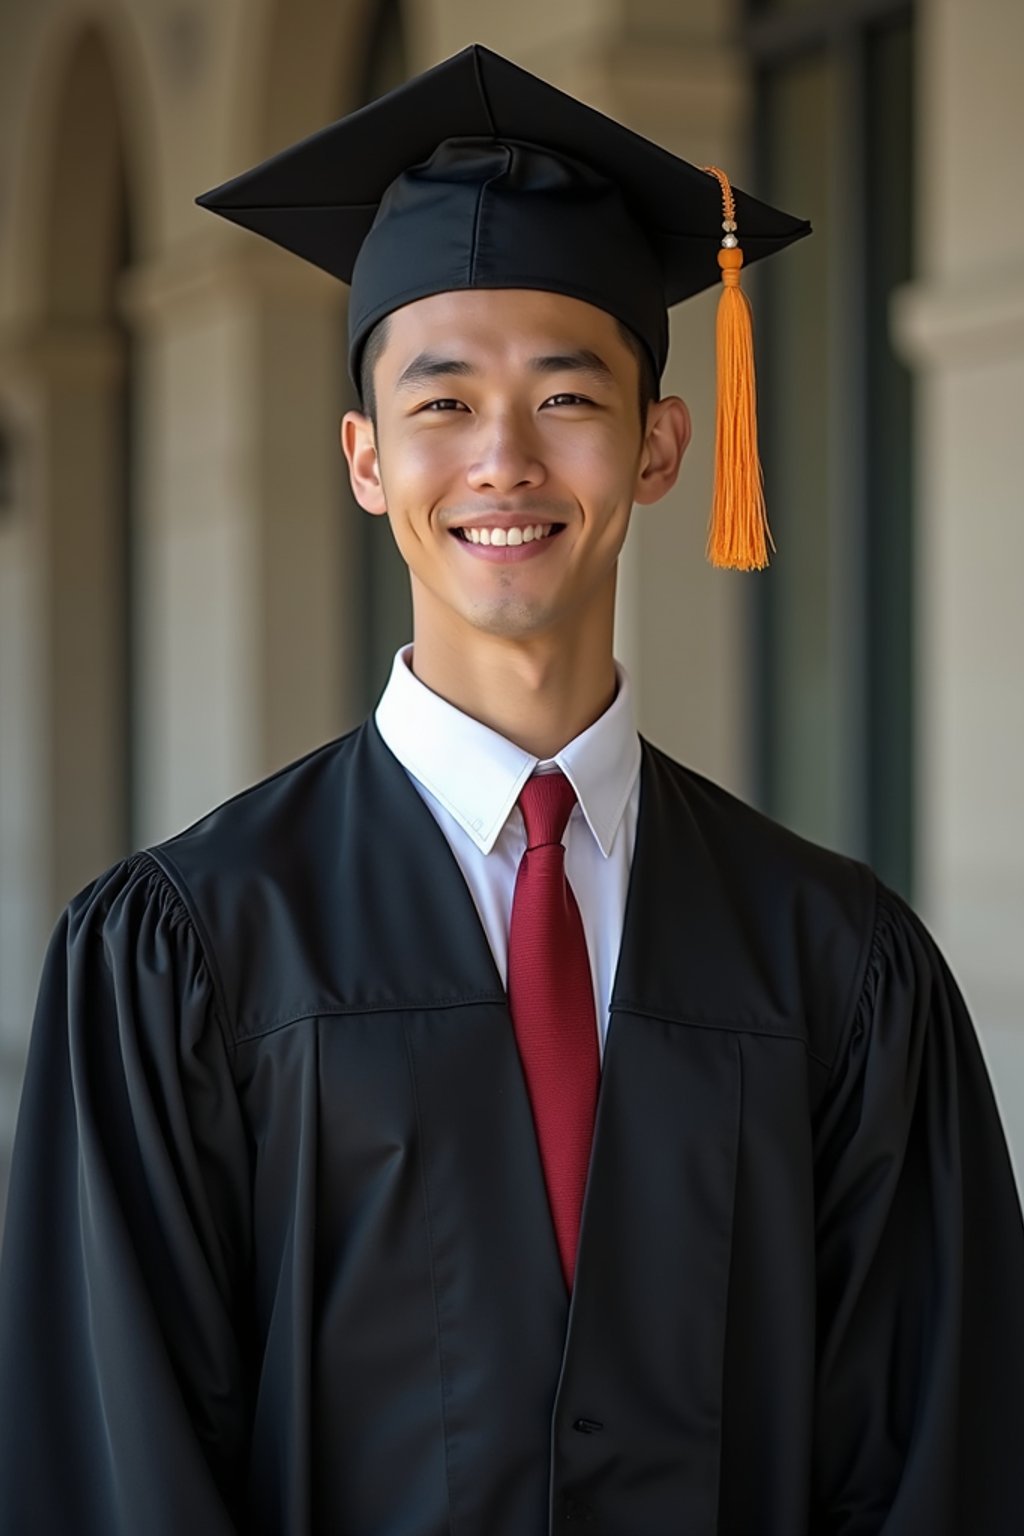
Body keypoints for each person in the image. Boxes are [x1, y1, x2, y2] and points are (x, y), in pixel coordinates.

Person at [0, 41, 1022, 1536]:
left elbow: (940, 1454)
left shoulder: (836, 965)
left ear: (662, 447)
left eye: (566, 399)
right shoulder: (184, 953)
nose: (502, 461)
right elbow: (116, 1468)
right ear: (363, 460)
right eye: (441, 404)